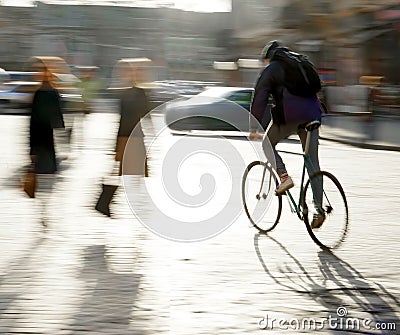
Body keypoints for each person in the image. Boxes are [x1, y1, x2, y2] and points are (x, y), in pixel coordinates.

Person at [249, 41, 325, 228]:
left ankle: (283, 177)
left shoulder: (273, 68)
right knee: (312, 161)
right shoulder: (300, 62)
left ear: (269, 57)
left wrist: (254, 127)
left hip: (290, 115)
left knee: (267, 144)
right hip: (314, 115)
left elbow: (259, 97)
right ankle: (319, 209)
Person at [29, 61, 64, 225]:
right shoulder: (47, 93)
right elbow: (56, 119)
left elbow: (56, 117)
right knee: (45, 174)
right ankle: (43, 208)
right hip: (42, 137)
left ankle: (45, 207)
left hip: (45, 138)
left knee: (47, 174)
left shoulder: (45, 93)